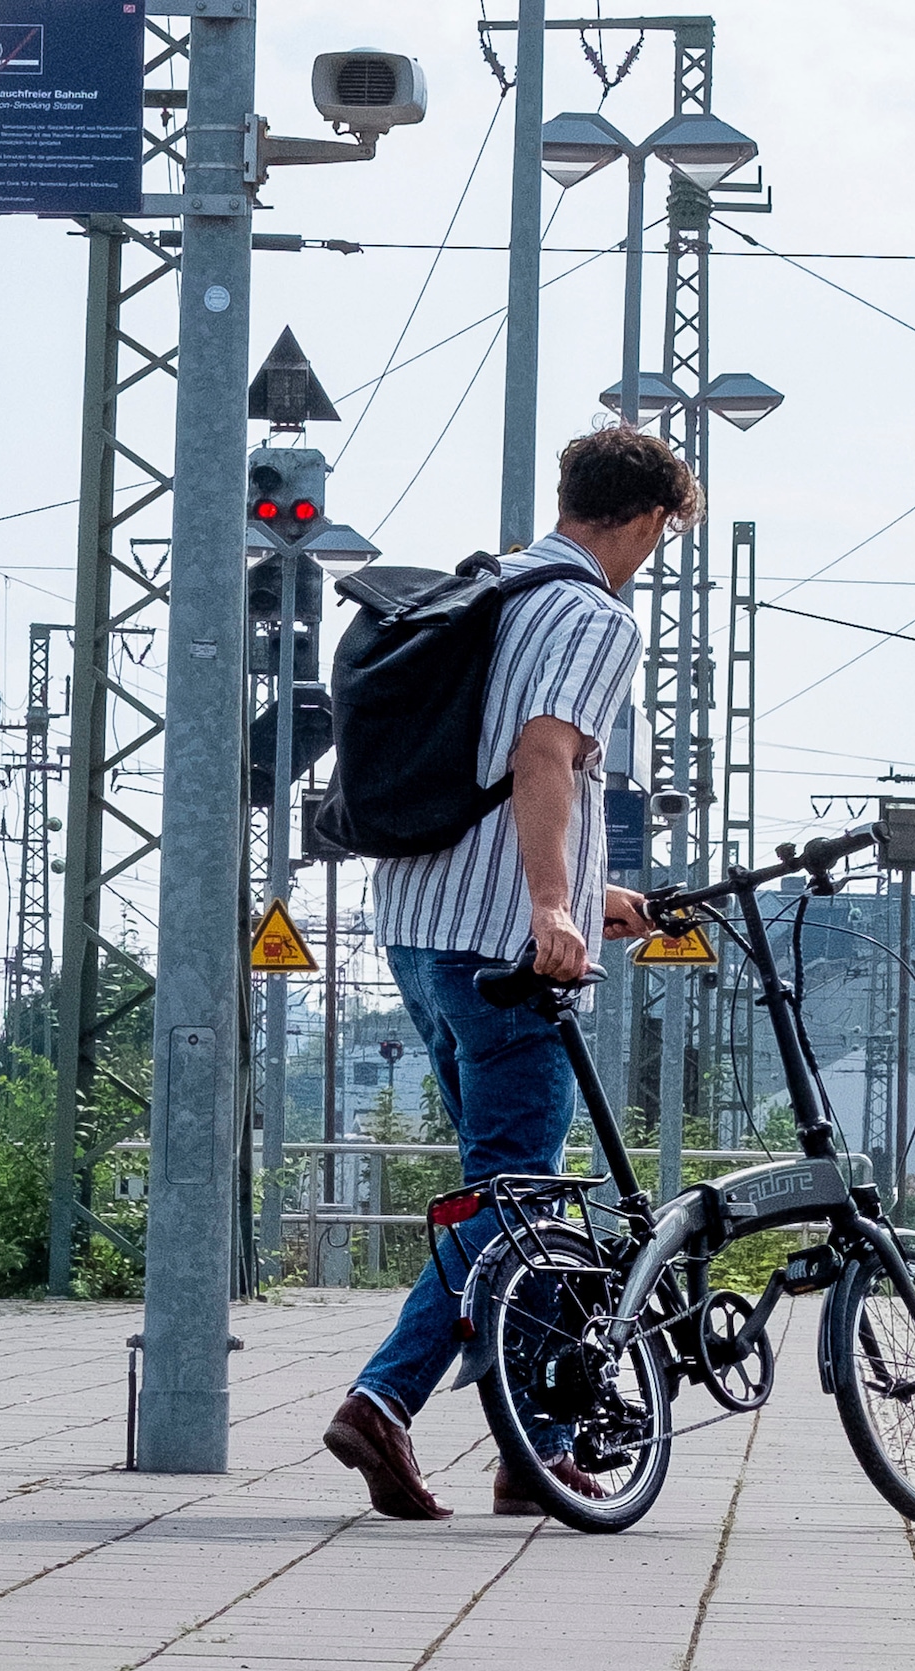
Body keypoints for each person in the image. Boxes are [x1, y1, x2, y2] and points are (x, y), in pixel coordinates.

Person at [323, 426, 700, 1520]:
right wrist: (549, 904)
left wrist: (591, 897)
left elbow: (494, 773)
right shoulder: (589, 613)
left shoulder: (490, 590)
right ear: (643, 520)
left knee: (506, 1200)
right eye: (665, 533)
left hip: (420, 925)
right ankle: (385, 1401)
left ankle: (530, 1449)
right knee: (516, 1201)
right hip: (503, 946)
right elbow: (542, 755)